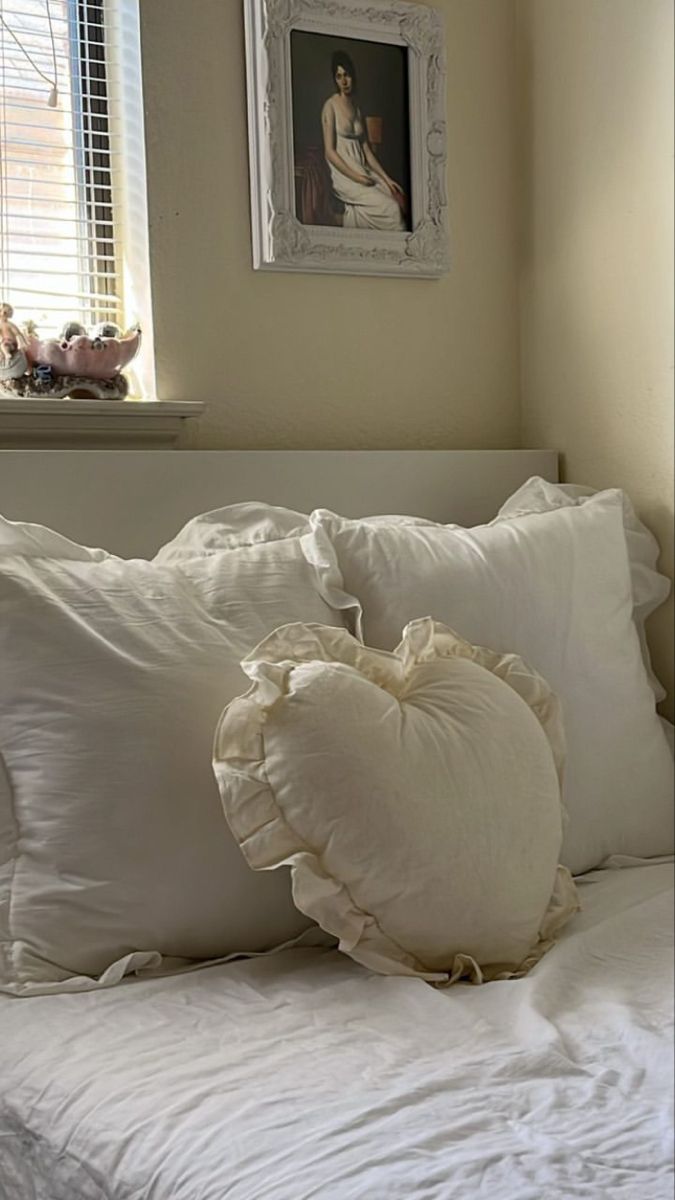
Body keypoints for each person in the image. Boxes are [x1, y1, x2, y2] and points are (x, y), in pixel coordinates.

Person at [321, 50, 406, 231]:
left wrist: (387, 178)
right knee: (392, 210)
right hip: (344, 176)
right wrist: (357, 178)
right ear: (335, 79)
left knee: (396, 196)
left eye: (347, 75)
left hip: (363, 169)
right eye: (339, 76)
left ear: (353, 76)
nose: (344, 81)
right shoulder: (330, 106)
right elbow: (329, 152)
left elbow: (366, 150)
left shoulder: (357, 108)